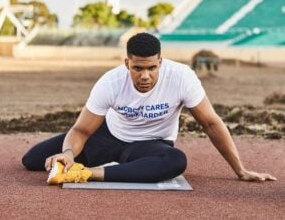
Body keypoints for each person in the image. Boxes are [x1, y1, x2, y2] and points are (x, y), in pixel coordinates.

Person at [22, 32, 276, 184]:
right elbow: (81, 130)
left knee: (175, 161)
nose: (145, 76)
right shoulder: (110, 82)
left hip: (150, 145)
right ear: (127, 64)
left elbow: (211, 123)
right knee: (32, 160)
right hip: (109, 137)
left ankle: (85, 174)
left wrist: (240, 170)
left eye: (152, 68)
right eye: (138, 68)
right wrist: (68, 153)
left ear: (160, 62)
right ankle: (87, 164)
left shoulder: (181, 77)